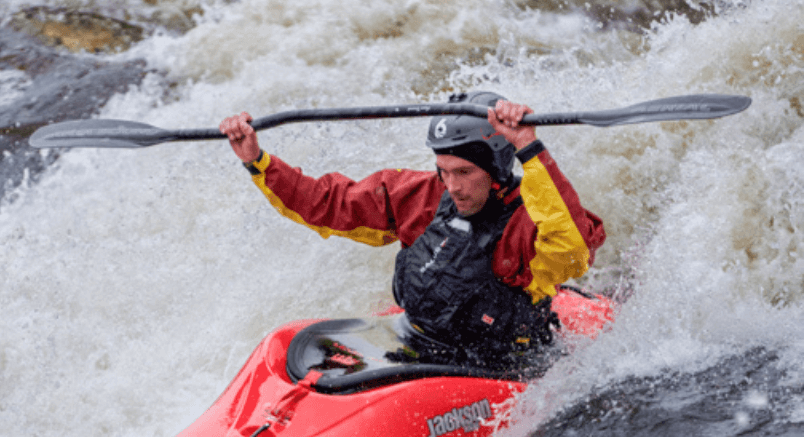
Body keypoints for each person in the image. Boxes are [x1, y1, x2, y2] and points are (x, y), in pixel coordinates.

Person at [219, 91, 605, 374]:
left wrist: (527, 144)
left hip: (498, 368)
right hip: (419, 343)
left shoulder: (526, 223)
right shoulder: (420, 195)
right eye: (445, 170)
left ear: (498, 165)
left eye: (466, 172)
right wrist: (257, 160)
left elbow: (573, 249)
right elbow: (327, 204)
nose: (452, 186)